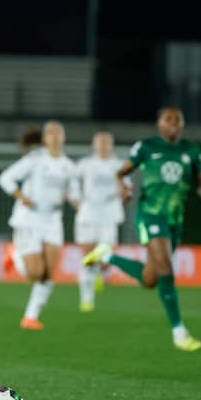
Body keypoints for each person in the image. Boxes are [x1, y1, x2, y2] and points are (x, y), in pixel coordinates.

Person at [82, 107, 201, 352]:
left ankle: (107, 256)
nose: (174, 123)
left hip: (174, 220)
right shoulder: (146, 147)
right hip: (150, 215)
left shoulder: (192, 150)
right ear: (159, 123)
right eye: (168, 119)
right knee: (166, 269)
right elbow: (121, 172)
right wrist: (124, 188)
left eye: (178, 120)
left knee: (151, 279)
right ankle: (179, 332)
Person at [0, 120, 77, 330]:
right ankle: (15, 255)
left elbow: (74, 193)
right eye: (50, 133)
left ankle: (30, 317)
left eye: (58, 132)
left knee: (49, 273)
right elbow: (5, 178)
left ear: (63, 137)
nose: (55, 136)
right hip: (29, 219)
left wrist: (78, 204)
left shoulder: (69, 166)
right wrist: (22, 197)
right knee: (35, 274)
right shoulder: (34, 159)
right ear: (44, 139)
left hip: (53, 220)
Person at [72, 131, 126, 312]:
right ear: (94, 145)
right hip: (88, 215)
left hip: (109, 216)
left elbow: (126, 188)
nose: (103, 145)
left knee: (105, 260)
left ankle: (100, 273)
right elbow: (72, 182)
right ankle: (86, 300)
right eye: (100, 142)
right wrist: (76, 201)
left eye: (106, 142)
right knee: (88, 257)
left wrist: (125, 193)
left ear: (111, 145)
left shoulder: (119, 165)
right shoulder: (85, 164)